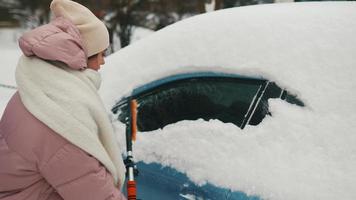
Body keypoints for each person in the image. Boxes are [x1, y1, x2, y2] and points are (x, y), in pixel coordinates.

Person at [0, 0, 127, 199]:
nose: (103, 61)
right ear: (82, 56)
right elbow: (94, 192)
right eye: (100, 54)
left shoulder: (38, 92)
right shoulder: (59, 118)